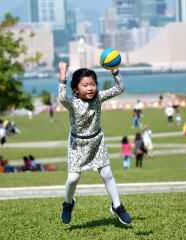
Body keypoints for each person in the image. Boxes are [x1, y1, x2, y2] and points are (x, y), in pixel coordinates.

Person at [58, 61, 131, 225]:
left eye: (93, 84)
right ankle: (68, 204)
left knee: (107, 174)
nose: (90, 88)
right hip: (77, 144)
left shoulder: (98, 98)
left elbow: (119, 89)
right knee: (73, 178)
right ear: (76, 88)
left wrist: (115, 71)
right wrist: (62, 74)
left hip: (97, 141)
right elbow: (62, 97)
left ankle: (117, 206)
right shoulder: (72, 103)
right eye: (85, 85)